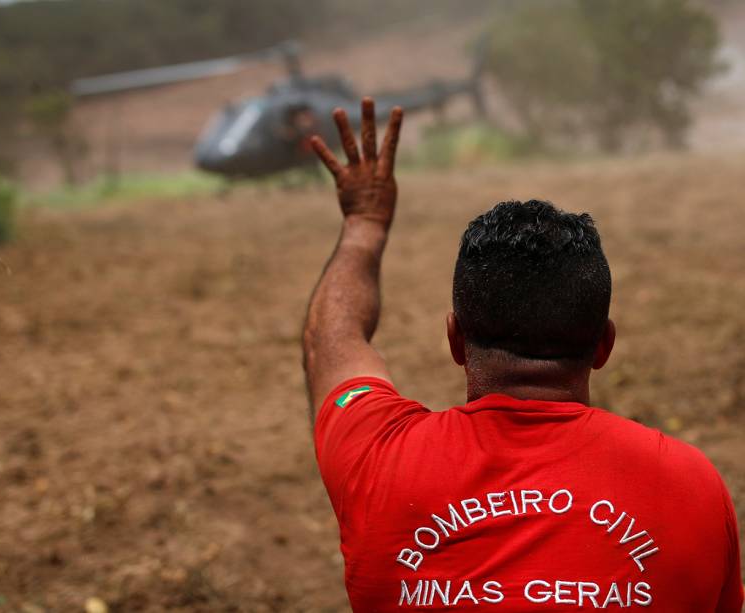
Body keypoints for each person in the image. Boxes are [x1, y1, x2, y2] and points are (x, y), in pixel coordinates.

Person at [303, 98, 743, 612]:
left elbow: (330, 341)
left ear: (455, 341)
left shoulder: (377, 459)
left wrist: (365, 222)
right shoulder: (691, 487)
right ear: (604, 344)